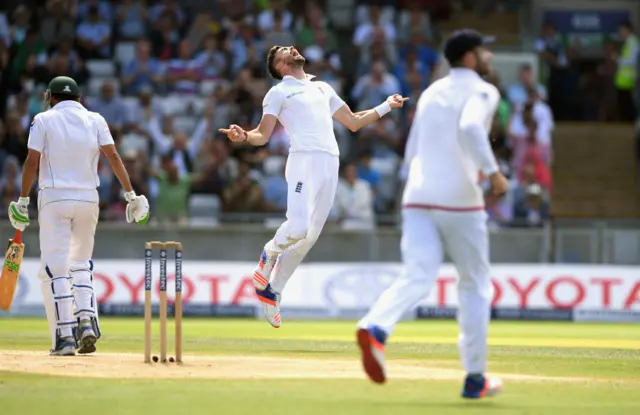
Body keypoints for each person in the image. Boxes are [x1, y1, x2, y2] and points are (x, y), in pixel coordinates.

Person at [355, 30, 508, 399]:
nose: (488, 55)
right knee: (474, 284)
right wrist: (493, 173)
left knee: (418, 275)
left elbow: (412, 149)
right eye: (483, 50)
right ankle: (475, 378)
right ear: (469, 58)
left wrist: (415, 186)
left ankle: (376, 328)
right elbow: (471, 128)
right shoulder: (484, 91)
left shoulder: (431, 92)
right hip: (460, 198)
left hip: (418, 195)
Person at [219, 45, 407, 328]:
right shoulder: (279, 92)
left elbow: (353, 122)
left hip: (330, 163)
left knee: (309, 237)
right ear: (280, 66)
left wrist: (386, 106)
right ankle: (268, 255)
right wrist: (244, 135)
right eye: (285, 50)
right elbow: (263, 134)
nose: (292, 49)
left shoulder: (323, 88)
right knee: (298, 228)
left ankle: (273, 291)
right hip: (303, 161)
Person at [7, 76, 150, 356]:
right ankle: (87, 321)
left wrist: (23, 200)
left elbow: (31, 161)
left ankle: (65, 337)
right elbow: (114, 157)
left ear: (53, 97)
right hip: (88, 198)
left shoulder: (42, 119)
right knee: (81, 263)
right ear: (79, 98)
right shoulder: (95, 119)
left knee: (58, 269)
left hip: (55, 198)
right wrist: (131, 194)